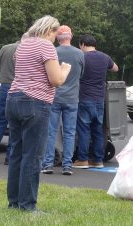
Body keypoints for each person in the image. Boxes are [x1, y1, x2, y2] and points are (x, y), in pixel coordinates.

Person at [6, 15, 71, 212]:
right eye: (54, 34)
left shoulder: (23, 44)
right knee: (33, 156)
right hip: (35, 102)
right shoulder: (45, 46)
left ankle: (14, 203)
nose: (54, 38)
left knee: (16, 153)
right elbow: (56, 80)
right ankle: (28, 206)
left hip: (14, 98)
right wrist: (65, 69)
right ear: (50, 31)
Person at [42, 25, 85, 176]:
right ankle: (67, 165)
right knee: (69, 132)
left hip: (54, 97)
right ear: (71, 37)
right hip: (72, 98)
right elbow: (81, 74)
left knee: (50, 132)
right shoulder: (80, 53)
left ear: (57, 38)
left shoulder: (53, 52)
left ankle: (48, 164)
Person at [73, 34, 118, 169]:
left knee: (83, 131)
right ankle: (98, 160)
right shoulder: (105, 57)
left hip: (84, 98)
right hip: (99, 99)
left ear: (82, 44)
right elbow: (115, 68)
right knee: (98, 130)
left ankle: (83, 159)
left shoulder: (81, 57)